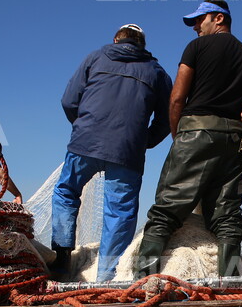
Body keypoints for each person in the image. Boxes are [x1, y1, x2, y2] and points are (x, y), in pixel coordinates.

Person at [136, 0, 242, 278]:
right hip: (236, 140)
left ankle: (142, 284)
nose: (194, 27)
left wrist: (178, 134)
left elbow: (177, 96)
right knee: (227, 216)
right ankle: (229, 284)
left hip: (196, 131)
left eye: (198, 20)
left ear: (218, 18)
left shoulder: (197, 47)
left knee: (168, 207)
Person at [51, 24, 172, 282]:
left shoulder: (94, 57)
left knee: (66, 192)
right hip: (127, 151)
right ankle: (106, 278)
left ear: (116, 39)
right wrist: (144, 140)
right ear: (142, 43)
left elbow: (68, 100)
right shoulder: (156, 72)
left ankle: (62, 258)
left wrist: (84, 125)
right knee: (119, 212)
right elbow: (168, 117)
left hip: (85, 143)